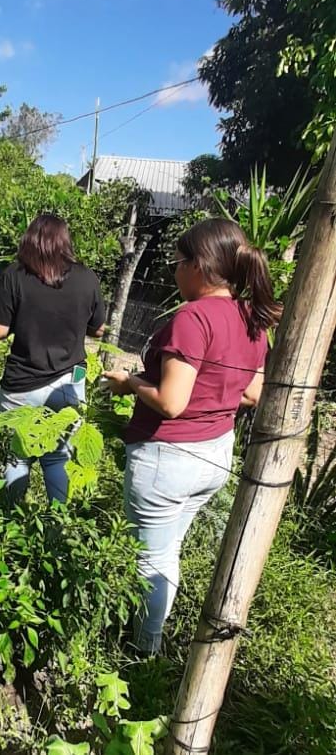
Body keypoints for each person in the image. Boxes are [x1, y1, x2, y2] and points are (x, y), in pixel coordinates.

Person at [102, 218, 280, 656]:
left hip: (169, 455)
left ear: (199, 266)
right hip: (215, 452)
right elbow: (254, 393)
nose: (174, 271)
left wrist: (130, 382)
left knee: (151, 560)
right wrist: (213, 398)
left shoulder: (193, 317)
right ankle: (149, 632)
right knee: (167, 551)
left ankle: (144, 651)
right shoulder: (249, 315)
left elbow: (170, 401)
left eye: (178, 262)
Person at [0, 214, 106, 504]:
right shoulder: (87, 277)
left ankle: (9, 524)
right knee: (58, 457)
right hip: (69, 380)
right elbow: (99, 329)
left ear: (29, 241)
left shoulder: (15, 275)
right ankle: (57, 524)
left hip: (22, 381)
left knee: (18, 455)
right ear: (65, 242)